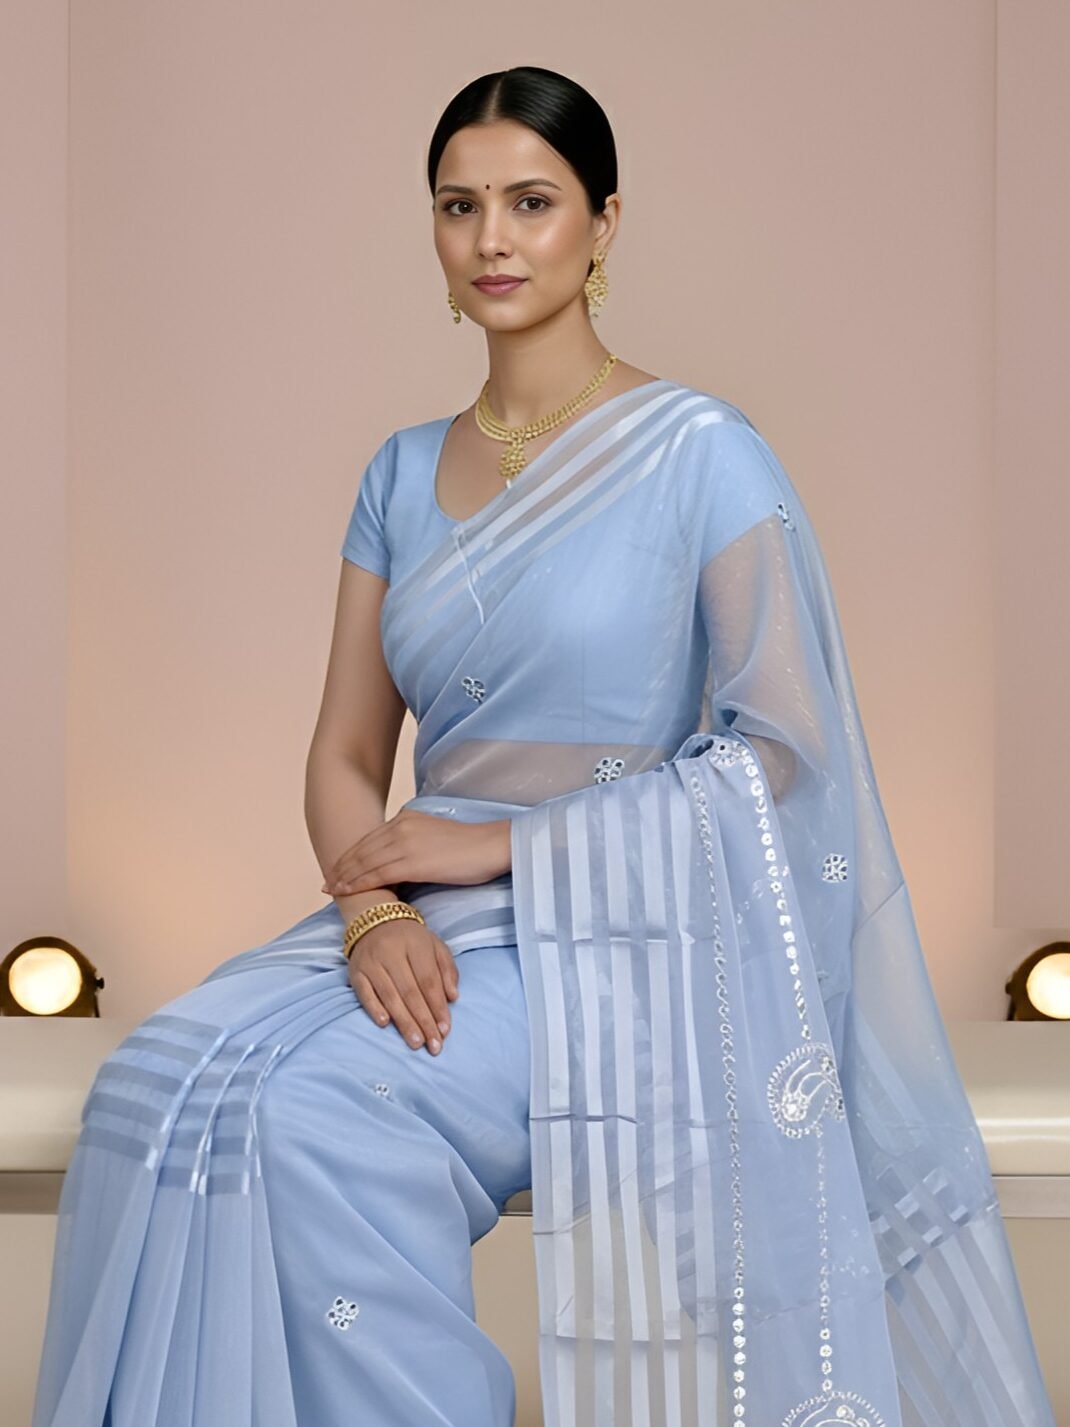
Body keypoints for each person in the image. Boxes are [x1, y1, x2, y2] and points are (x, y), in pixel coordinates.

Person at [31, 63, 1055, 1427]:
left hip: (615, 939)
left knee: (319, 1115)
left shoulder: (701, 453)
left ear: (603, 222)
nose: (492, 240)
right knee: (148, 1086)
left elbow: (785, 756)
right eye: (459, 206)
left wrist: (507, 846)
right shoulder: (399, 474)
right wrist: (373, 913)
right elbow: (345, 754)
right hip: (410, 924)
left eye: (532, 201)